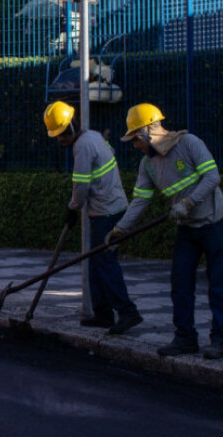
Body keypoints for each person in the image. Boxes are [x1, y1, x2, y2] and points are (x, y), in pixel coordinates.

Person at [106, 103, 223, 359]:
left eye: (135, 138)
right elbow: (140, 201)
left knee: (218, 283)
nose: (134, 145)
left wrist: (188, 202)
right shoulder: (148, 165)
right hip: (187, 227)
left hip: (214, 222)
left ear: (149, 131)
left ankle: (219, 340)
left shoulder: (190, 144)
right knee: (180, 282)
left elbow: (212, 177)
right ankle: (185, 337)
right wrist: (120, 229)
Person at [43, 101, 143, 335]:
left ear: (69, 129)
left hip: (107, 213)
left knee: (106, 263)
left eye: (60, 135)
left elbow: (81, 186)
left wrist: (72, 208)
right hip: (108, 209)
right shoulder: (93, 136)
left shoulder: (83, 147)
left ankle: (128, 311)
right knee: (96, 263)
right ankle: (103, 313)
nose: (60, 140)